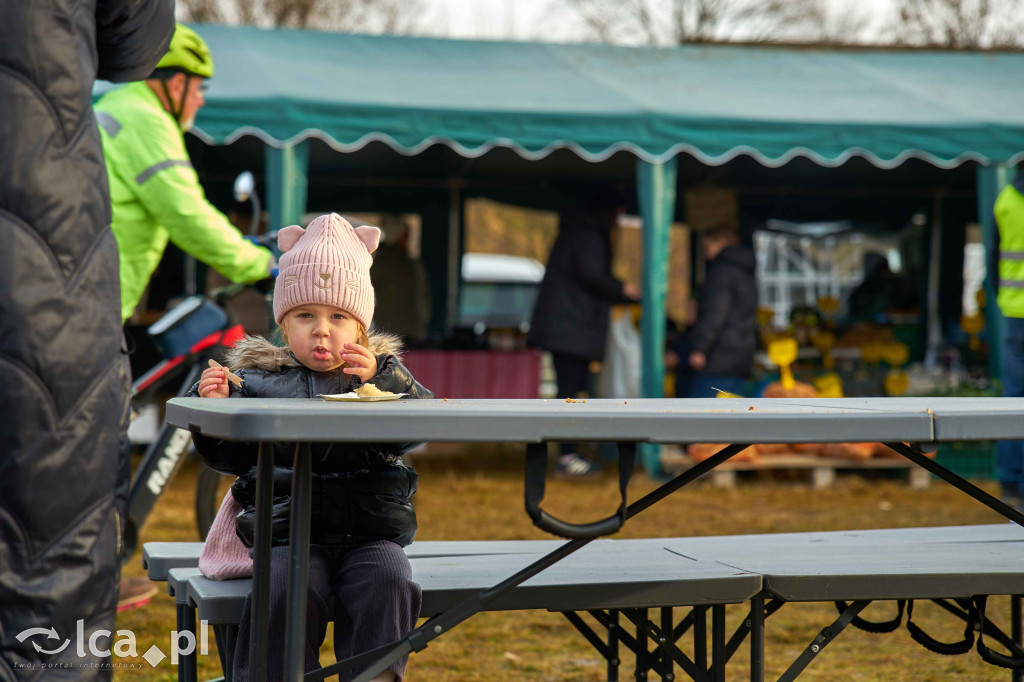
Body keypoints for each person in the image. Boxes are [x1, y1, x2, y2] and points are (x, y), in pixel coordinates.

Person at [0, 0, 173, 676]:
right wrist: (256, 264)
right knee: (49, 596)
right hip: (46, 280)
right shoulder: (145, 117)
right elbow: (138, 39)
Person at [190, 213, 433, 682]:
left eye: (338, 317)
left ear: (360, 328)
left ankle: (376, 676)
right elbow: (229, 458)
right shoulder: (260, 383)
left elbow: (418, 425)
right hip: (289, 534)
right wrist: (218, 412)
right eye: (306, 316)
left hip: (370, 534)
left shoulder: (380, 379)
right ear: (284, 324)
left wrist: (386, 382)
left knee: (390, 579)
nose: (322, 330)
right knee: (284, 586)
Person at [95, 22, 275, 323]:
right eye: (199, 88)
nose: (201, 100)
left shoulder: (115, 106)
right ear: (177, 84)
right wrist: (262, 266)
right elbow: (186, 214)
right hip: (92, 298)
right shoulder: (146, 119)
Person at [528, 186, 641, 477]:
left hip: (564, 327)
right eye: (617, 216)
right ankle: (567, 457)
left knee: (570, 390)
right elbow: (593, 276)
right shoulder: (587, 236)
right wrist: (621, 289)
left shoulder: (575, 231)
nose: (618, 224)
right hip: (570, 329)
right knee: (569, 392)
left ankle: (572, 451)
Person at [671, 224, 757, 398]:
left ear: (720, 243)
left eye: (707, 245)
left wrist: (699, 349)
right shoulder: (746, 272)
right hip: (739, 358)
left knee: (704, 419)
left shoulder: (720, 272)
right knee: (732, 415)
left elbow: (715, 313)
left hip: (716, 359)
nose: (705, 251)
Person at [989, 168, 1024, 509]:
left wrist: (1001, 297)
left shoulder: (1006, 198)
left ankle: (1011, 482)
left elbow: (992, 253)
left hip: (1014, 311)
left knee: (1013, 399)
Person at [371, 215, 432, 342]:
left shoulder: (412, 264)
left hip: (414, 330)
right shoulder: (381, 264)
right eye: (404, 236)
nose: (407, 240)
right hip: (389, 330)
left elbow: (422, 295)